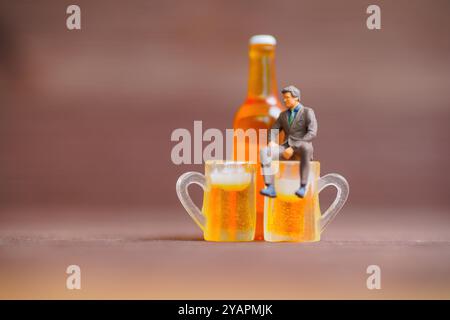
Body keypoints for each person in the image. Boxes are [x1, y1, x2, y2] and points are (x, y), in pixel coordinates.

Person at [259, 85, 318, 198]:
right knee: (265, 152)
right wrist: (271, 141)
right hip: (285, 147)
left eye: (287, 97)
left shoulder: (307, 112)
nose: (285, 100)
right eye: (284, 98)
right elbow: (273, 130)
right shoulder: (283, 115)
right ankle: (270, 186)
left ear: (296, 98)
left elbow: (312, 133)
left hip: (301, 147)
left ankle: (303, 186)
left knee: (306, 148)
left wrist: (293, 147)